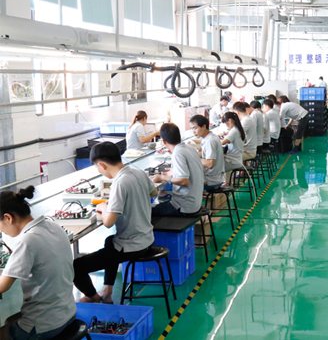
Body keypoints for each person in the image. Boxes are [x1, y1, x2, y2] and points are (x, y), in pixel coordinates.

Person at [73, 142, 155, 304]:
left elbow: (108, 222)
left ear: (102, 165)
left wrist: (104, 208)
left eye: (97, 167)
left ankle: (94, 297)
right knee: (110, 241)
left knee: (76, 267)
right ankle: (107, 291)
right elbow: (154, 192)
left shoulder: (120, 182)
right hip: (147, 238)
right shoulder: (138, 172)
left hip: (133, 246)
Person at [0, 186, 76, 340]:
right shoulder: (53, 225)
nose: (1, 231)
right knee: (9, 321)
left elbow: (3, 286)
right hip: (68, 313)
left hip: (44, 326)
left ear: (8, 218)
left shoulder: (27, 241)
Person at [151, 123, 205, 215]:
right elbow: (196, 171)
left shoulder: (177, 153)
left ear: (163, 141)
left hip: (184, 207)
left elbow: (184, 181)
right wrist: (175, 172)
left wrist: (162, 177)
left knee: (148, 212)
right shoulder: (190, 149)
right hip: (196, 202)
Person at [190, 114, 224, 192]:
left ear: (204, 126)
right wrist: (191, 154)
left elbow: (210, 164)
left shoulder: (210, 141)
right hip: (215, 178)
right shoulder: (211, 137)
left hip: (211, 181)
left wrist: (192, 159)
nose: (193, 131)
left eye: (195, 128)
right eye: (192, 129)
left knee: (184, 183)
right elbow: (205, 154)